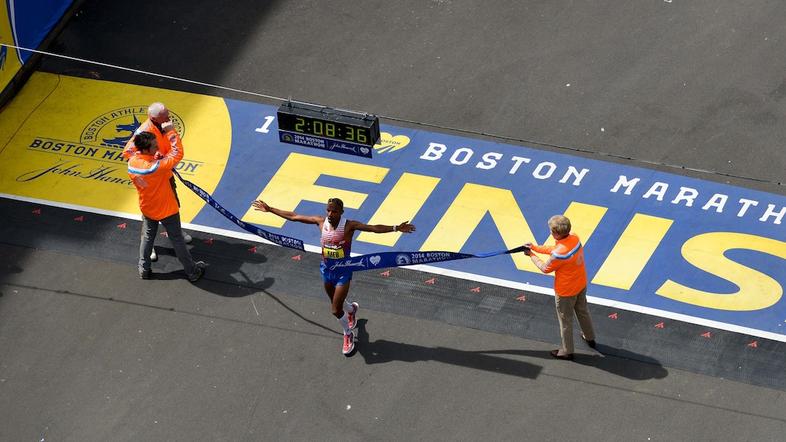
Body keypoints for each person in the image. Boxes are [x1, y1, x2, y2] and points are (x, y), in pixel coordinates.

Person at [252, 198, 415, 355]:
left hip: (343, 271)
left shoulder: (350, 226)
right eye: (328, 210)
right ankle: (351, 310)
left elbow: (373, 228)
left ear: (341, 212)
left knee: (335, 310)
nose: (330, 214)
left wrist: (396, 228)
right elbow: (294, 216)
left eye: (334, 211)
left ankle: (348, 334)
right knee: (337, 302)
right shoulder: (321, 222)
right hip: (326, 269)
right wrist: (270, 209)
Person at [128, 129, 206, 282]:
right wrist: (171, 131)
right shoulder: (157, 167)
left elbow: (146, 164)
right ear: (145, 149)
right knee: (177, 239)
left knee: (147, 237)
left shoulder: (132, 164)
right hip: (167, 208)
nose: (157, 149)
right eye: (154, 147)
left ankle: (144, 269)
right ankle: (192, 271)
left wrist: (154, 157)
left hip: (148, 207)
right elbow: (177, 154)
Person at [123, 102, 192, 262]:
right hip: (152, 177)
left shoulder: (163, 126)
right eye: (165, 117)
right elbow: (128, 152)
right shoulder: (144, 131)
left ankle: (176, 230)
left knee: (173, 202)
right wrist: (152, 159)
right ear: (154, 119)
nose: (169, 118)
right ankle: (150, 245)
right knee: (149, 212)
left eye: (168, 115)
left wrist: (158, 156)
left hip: (164, 174)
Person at [524, 215, 595, 360]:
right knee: (583, 311)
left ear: (556, 233)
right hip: (580, 283)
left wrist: (531, 254)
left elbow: (545, 267)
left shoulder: (559, 254)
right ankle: (590, 337)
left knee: (566, 321)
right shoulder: (575, 238)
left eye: (551, 230)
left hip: (566, 292)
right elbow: (556, 248)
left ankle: (567, 351)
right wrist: (536, 247)